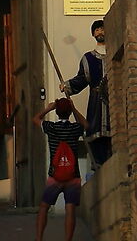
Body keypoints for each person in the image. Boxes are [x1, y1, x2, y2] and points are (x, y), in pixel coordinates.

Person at [34, 97, 87, 241]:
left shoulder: (51, 128)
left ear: (56, 112)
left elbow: (35, 119)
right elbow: (86, 125)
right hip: (73, 176)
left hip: (55, 176)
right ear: (69, 113)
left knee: (44, 207)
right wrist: (74, 108)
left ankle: (39, 238)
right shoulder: (75, 129)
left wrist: (48, 108)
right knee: (70, 210)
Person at [64, 20, 112, 164]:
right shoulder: (88, 58)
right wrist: (67, 86)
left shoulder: (115, 53)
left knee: (115, 134)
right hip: (96, 102)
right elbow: (82, 79)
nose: (100, 32)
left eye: (102, 29)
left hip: (114, 102)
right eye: (97, 30)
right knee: (96, 134)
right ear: (93, 34)